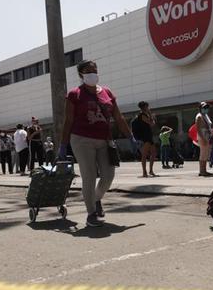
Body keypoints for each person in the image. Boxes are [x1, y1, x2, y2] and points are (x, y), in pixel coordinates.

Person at [58, 59, 132, 228]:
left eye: (95, 69)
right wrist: (63, 145)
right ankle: (91, 214)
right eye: (88, 70)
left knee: (108, 176)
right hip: (81, 140)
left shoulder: (107, 92)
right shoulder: (74, 94)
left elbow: (118, 117)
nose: (93, 73)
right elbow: (68, 121)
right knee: (89, 176)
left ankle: (96, 199)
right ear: (81, 74)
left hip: (105, 140)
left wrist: (130, 137)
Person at [133, 101, 158, 178]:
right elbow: (152, 123)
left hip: (149, 136)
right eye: (147, 106)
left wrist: (150, 116)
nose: (148, 108)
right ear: (144, 107)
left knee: (153, 153)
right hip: (144, 137)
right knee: (144, 155)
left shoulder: (146, 115)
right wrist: (150, 115)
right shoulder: (142, 115)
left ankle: (150, 170)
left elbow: (152, 124)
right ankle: (144, 172)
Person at [195, 102, 213, 177]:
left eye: (207, 107)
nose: (206, 109)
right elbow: (198, 129)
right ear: (200, 108)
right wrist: (203, 138)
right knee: (203, 154)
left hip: (208, 135)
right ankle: (202, 171)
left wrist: (212, 135)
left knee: (206, 154)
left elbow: (210, 127)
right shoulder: (199, 116)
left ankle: (204, 170)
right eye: (204, 107)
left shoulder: (206, 116)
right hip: (203, 136)